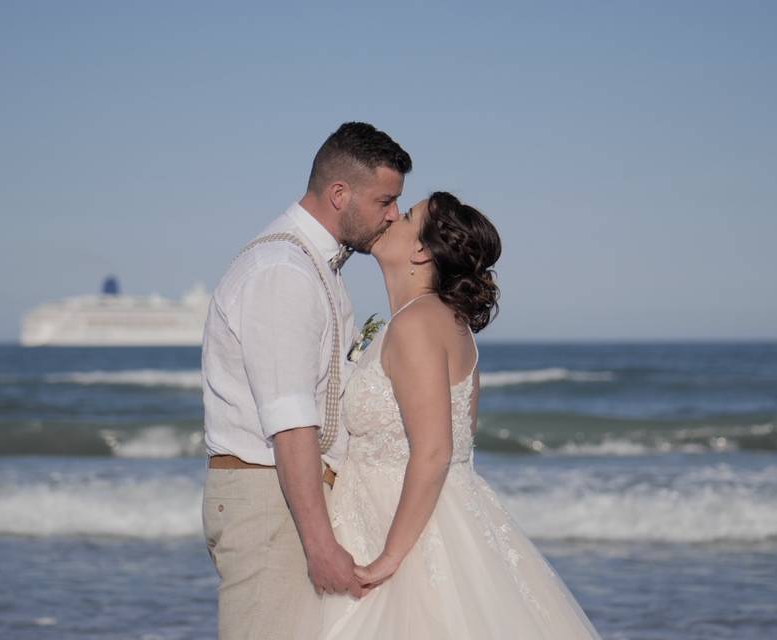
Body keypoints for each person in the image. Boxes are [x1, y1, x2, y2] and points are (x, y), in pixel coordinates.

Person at [315, 192, 602, 639]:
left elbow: (435, 452)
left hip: (404, 533)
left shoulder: (416, 324)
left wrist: (391, 557)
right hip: (428, 517)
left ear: (422, 250)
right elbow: (463, 443)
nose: (391, 215)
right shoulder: (447, 322)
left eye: (406, 215)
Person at [201, 122, 412, 639]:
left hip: (286, 496)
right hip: (271, 498)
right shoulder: (282, 272)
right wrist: (320, 545)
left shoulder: (315, 267)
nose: (394, 215)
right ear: (340, 194)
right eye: (385, 200)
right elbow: (290, 420)